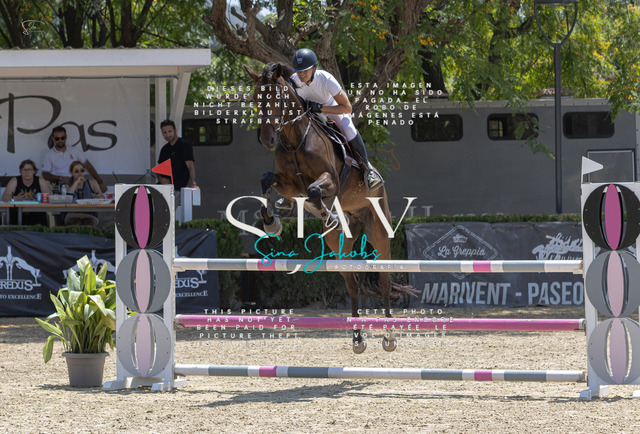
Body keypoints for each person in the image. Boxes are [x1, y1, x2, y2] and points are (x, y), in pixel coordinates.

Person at [290, 48, 384, 191]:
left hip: (332, 108)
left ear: (314, 68)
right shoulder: (293, 81)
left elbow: (347, 108)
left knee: (348, 128)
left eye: (305, 70)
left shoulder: (326, 79)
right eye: (298, 71)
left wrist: (321, 108)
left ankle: (368, 169)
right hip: (310, 114)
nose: (301, 74)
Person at [41, 126, 107, 193]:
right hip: (60, 184)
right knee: (65, 188)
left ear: (66, 137)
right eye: (57, 139)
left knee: (94, 183)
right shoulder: (49, 155)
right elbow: (45, 174)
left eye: (62, 138)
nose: (60, 140)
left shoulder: (74, 151)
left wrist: (100, 182)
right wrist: (61, 178)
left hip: (78, 183)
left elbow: (88, 166)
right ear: (53, 139)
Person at [1, 159, 52, 225]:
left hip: (37, 214)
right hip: (17, 215)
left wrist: (39, 198)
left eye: (29, 170)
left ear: (34, 171)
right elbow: (4, 197)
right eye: (24, 170)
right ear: (20, 171)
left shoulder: (40, 180)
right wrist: (15, 198)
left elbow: (50, 196)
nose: (26, 172)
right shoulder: (15, 180)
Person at [157, 119, 198, 199]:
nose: (167, 135)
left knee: (170, 207)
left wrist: (193, 184)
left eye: (170, 131)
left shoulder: (184, 145)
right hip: (162, 188)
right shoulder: (164, 149)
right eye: (164, 133)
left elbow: (190, 167)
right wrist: (160, 179)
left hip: (177, 189)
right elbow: (158, 170)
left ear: (175, 131)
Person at [63, 160, 104, 227]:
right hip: (73, 214)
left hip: (90, 214)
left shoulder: (92, 182)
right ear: (71, 173)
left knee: (89, 224)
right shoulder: (67, 185)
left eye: (82, 170)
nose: (80, 173)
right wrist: (77, 182)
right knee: (75, 224)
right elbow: (68, 196)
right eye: (76, 171)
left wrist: (97, 197)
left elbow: (102, 197)